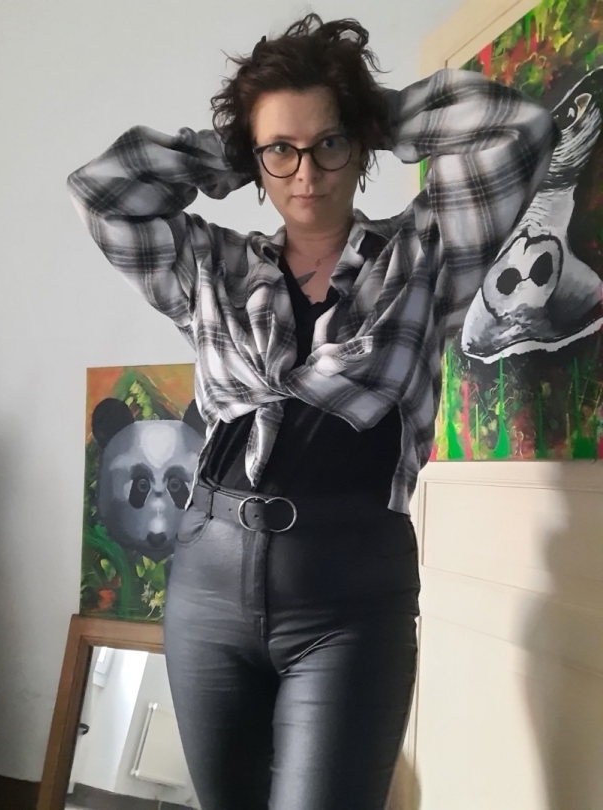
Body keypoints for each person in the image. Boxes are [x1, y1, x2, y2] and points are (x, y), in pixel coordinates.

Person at [68, 13, 557, 810]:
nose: (306, 173)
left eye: (328, 144)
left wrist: (372, 113)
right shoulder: (212, 268)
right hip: (207, 587)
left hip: (351, 598)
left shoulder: (426, 255)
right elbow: (103, 192)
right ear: (258, 161)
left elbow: (521, 130)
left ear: (357, 147)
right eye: (281, 151)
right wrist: (231, 148)